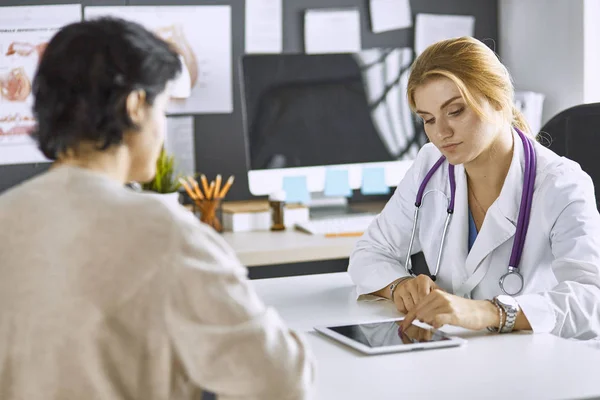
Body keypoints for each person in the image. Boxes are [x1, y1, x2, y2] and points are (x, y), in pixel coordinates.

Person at [0, 18, 314, 399]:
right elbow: (279, 381)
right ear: (135, 106)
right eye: (163, 108)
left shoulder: (7, 215)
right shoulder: (164, 231)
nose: (163, 128)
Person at [348, 36, 600, 340]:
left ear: (498, 100)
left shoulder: (561, 184)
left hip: (540, 360)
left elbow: (591, 300)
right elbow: (370, 252)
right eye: (428, 119)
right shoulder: (432, 165)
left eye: (455, 111)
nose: (441, 133)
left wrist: (486, 312)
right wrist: (400, 286)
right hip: (457, 352)